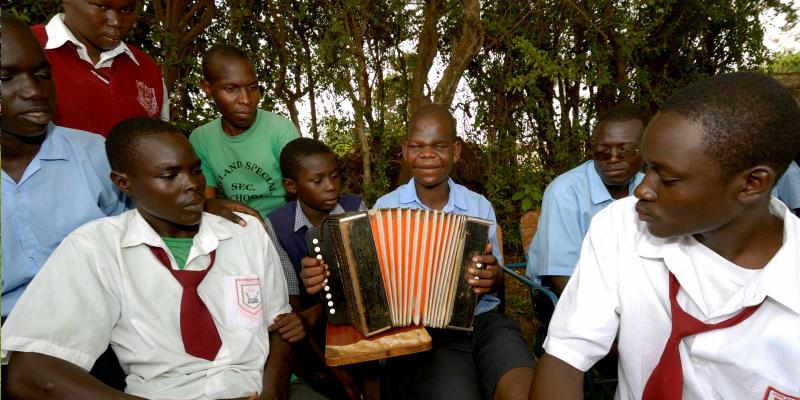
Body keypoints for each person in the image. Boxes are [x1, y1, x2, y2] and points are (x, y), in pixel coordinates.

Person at [530, 72, 800, 400]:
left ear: (752, 184)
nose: (642, 188)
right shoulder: (622, 226)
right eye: (649, 167)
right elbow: (566, 353)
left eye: (667, 179)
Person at [1, 117, 297, 400]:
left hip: (252, 389)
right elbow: (29, 374)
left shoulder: (245, 235)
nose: (191, 185)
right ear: (123, 183)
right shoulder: (96, 249)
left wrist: (272, 392)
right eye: (169, 176)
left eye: (195, 170)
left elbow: (281, 327)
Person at [300, 104, 536, 400]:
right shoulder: (385, 208)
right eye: (417, 146)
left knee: (524, 390)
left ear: (456, 151)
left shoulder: (478, 205)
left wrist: (493, 275)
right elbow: (361, 280)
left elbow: (498, 281)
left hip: (486, 322)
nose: (427, 154)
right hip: (427, 334)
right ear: (405, 150)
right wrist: (325, 274)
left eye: (439, 145)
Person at [265, 137, 368, 400]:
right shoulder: (276, 226)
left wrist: (317, 310)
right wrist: (333, 369)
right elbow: (293, 308)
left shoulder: (356, 208)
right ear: (291, 186)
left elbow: (367, 285)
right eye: (317, 180)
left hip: (360, 323)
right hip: (311, 340)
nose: (331, 187)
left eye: (335, 176)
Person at [526, 104, 646, 296]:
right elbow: (561, 280)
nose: (613, 158)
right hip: (567, 295)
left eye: (625, 150)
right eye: (602, 150)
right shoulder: (564, 192)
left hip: (631, 290)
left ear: (645, 150)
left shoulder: (647, 188)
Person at [190, 44, 300, 219]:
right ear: (207, 88)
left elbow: (301, 198)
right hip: (237, 227)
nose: (246, 100)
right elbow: (207, 203)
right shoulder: (201, 139)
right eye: (231, 89)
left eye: (252, 88)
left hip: (284, 225)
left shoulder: (280, 130)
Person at [31, 0, 169, 136]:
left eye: (126, 10)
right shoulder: (25, 50)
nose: (116, 22)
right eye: (102, 7)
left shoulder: (147, 70)